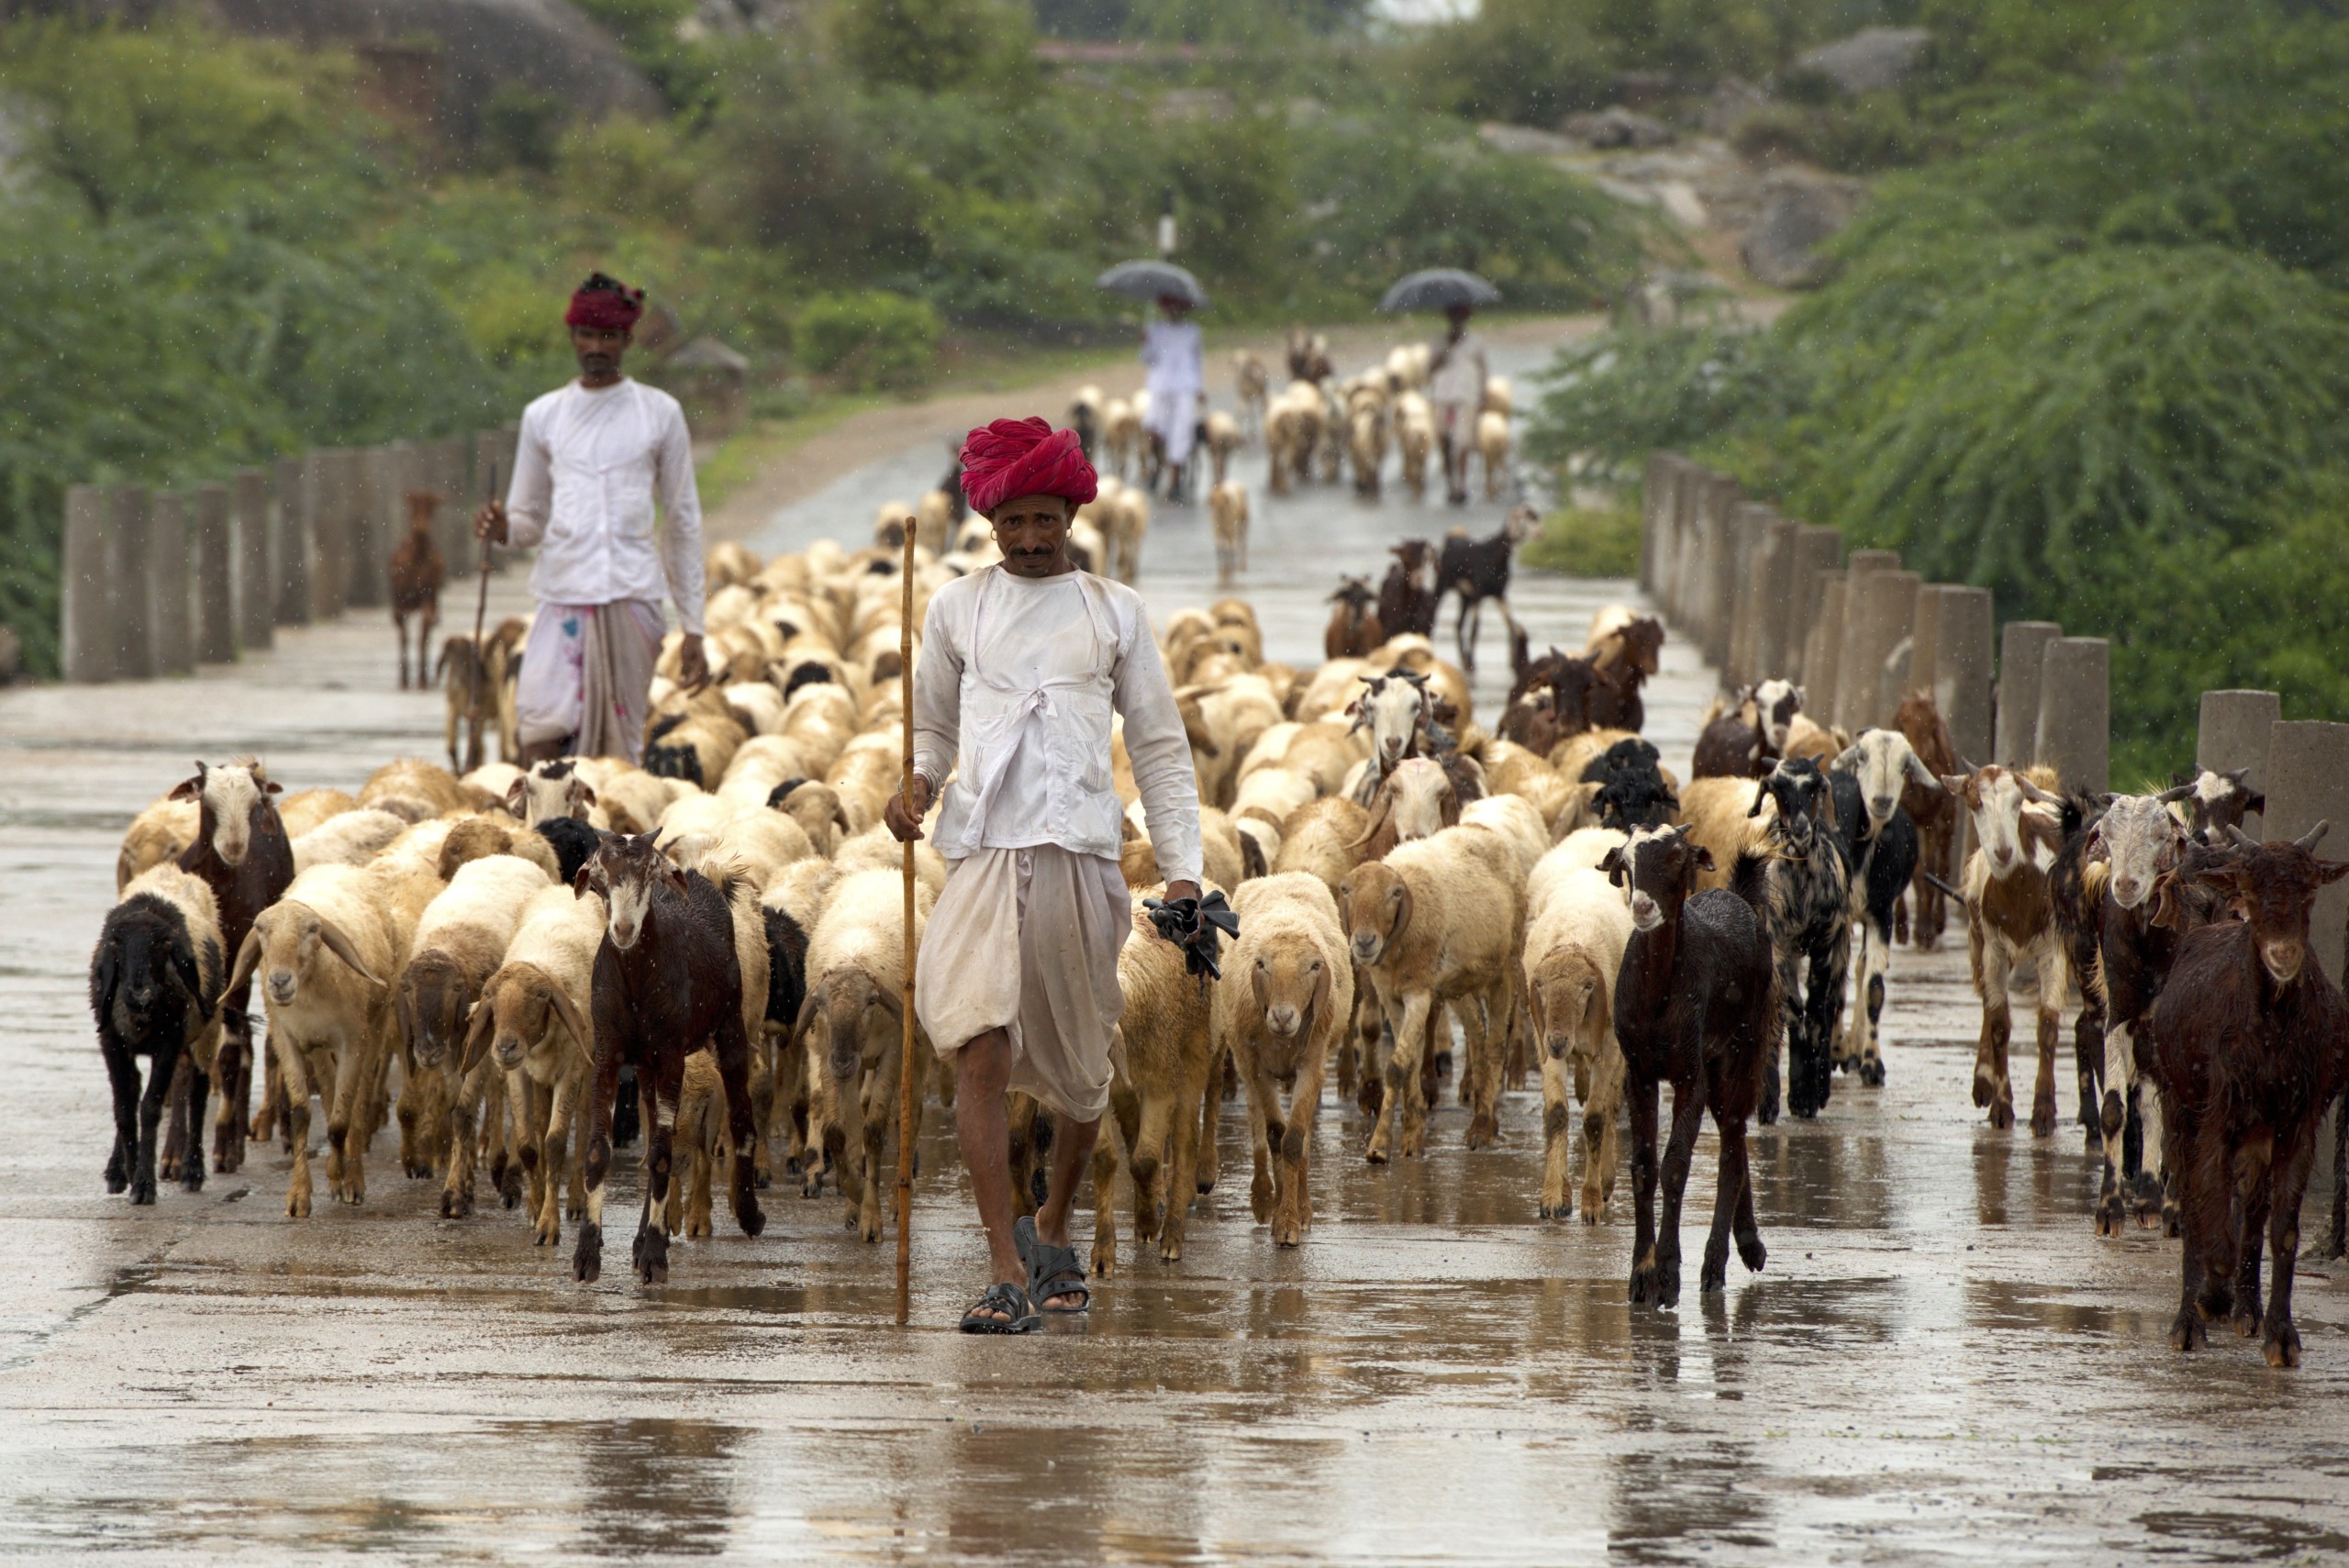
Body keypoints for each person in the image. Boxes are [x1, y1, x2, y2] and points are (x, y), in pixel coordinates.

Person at [885, 417, 1203, 1334]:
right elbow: (933, 736)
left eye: (1044, 521)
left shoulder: (1113, 611)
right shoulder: (956, 609)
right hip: (984, 849)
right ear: (988, 522)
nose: (1028, 539)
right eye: (1012, 522)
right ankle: (998, 1261)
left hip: (1079, 851)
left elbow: (1159, 747)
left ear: (1070, 514)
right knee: (978, 1042)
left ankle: (1053, 1227)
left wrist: (1182, 869)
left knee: (1079, 1065)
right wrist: (911, 790)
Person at [473, 272, 707, 766]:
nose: (596, 346)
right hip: (562, 596)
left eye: (607, 336)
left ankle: (615, 841)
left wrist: (694, 626)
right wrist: (501, 529)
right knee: (538, 734)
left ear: (626, 340)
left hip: (632, 596)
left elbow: (682, 521)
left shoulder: (660, 414)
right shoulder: (544, 416)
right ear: (572, 339)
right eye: (587, 335)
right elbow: (528, 520)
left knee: (617, 756)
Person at [1140, 295, 1204, 504]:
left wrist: (1200, 387)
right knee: (1155, 430)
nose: (1175, 311)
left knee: (1180, 433)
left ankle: (1175, 481)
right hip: (1161, 387)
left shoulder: (1192, 332)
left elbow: (1196, 361)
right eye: (1172, 307)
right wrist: (1145, 342)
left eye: (1179, 307)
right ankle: (1157, 467)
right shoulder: (1156, 330)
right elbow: (1147, 358)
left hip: (1184, 388)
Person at [1427, 302, 1488, 506]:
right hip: (1443, 396)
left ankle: (1461, 485)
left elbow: (1482, 370)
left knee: (1462, 443)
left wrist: (1483, 394)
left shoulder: (1475, 343)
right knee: (1444, 441)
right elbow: (1429, 369)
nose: (1456, 323)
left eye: (1459, 319)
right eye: (1453, 318)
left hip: (1466, 396)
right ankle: (1449, 482)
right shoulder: (1439, 342)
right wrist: (1442, 355)